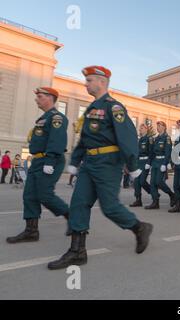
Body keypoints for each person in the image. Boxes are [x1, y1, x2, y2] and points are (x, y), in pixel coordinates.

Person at [47, 66, 153, 270]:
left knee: (110, 207)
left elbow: (127, 137)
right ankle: (77, 251)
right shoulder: (91, 109)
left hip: (108, 162)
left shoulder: (114, 107)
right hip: (89, 162)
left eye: (89, 81)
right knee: (79, 203)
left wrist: (132, 165)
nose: (86, 84)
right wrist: (75, 162)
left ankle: (139, 228)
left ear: (101, 82)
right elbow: (85, 138)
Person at [6, 87, 71, 244]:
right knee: (29, 196)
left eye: (40, 96)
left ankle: (72, 217)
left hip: (51, 160)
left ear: (49, 98)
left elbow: (57, 140)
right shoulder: (43, 118)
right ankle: (31, 231)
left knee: (44, 195)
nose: (36, 99)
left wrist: (49, 161)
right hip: (38, 160)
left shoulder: (56, 118)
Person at [145, 121, 176, 210]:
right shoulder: (156, 139)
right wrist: (148, 162)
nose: (157, 127)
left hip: (162, 161)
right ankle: (155, 202)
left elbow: (168, 152)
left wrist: (165, 164)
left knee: (159, 181)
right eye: (157, 125)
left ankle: (171, 194)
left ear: (164, 127)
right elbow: (152, 152)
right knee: (152, 183)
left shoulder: (167, 138)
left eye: (159, 126)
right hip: (155, 162)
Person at [129, 123, 153, 207]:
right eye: (140, 128)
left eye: (142, 128)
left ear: (146, 129)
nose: (140, 130)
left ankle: (153, 193)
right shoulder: (139, 139)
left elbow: (151, 152)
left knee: (142, 181)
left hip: (145, 162)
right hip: (138, 163)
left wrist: (148, 163)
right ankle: (138, 200)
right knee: (136, 182)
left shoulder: (149, 139)